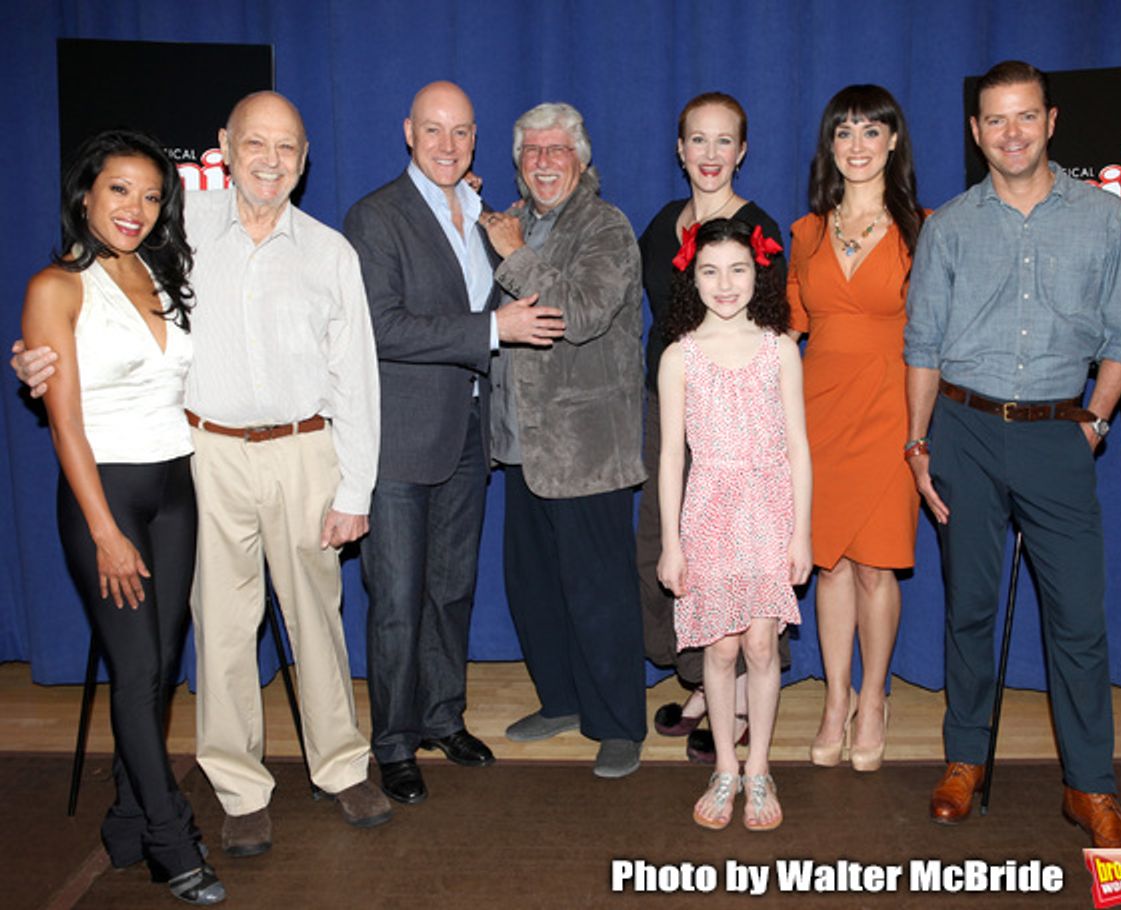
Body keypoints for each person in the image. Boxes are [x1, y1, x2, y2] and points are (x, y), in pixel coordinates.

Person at [15, 91, 392, 856]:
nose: (270, 161)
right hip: (204, 454)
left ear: (305, 158)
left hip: (305, 450)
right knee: (220, 625)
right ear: (225, 144)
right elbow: (94, 294)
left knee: (316, 619)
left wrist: (356, 490)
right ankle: (238, 787)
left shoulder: (331, 253)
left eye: (287, 148)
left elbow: (356, 377)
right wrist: (38, 359)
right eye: (255, 143)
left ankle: (342, 767)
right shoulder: (174, 231)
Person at [904, 60, 1121, 848]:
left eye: (1024, 116)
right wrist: (917, 444)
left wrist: (1093, 423)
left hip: (1058, 434)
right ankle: (965, 760)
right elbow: (923, 344)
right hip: (964, 431)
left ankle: (1090, 786)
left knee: (1078, 617)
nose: (1010, 133)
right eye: (995, 119)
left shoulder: (1104, 217)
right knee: (970, 608)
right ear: (976, 132)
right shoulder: (949, 226)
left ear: (1050, 122)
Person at [343, 81, 563, 805]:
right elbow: (383, 327)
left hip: (469, 430)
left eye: (461, 132)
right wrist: (494, 330)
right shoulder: (375, 216)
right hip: (401, 439)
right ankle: (393, 742)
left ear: (475, 139)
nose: (448, 144)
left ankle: (443, 717)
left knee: (451, 590)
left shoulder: (479, 214)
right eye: (434, 130)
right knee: (396, 599)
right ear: (409, 132)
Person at [20, 130, 224, 905]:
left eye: (150, 195)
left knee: (159, 669)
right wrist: (105, 532)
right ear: (85, 195)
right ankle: (172, 840)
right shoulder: (56, 287)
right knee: (136, 673)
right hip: (106, 496)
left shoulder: (161, 271)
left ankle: (127, 818)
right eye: (119, 190)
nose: (135, 207)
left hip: (176, 489)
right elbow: (66, 425)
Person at [479, 102, 647, 778]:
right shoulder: (517, 222)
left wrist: (515, 255)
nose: (544, 162)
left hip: (588, 450)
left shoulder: (605, 226)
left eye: (557, 150)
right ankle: (563, 701)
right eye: (531, 151)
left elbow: (577, 314)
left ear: (580, 158)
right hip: (522, 445)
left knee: (599, 592)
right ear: (517, 163)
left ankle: (619, 723)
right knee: (534, 587)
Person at [638, 92, 790, 764]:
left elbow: (773, 325)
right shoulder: (661, 225)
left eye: (723, 140)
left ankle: (741, 699)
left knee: (748, 555)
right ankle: (704, 682)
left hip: (740, 423)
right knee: (677, 551)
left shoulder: (758, 229)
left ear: (742, 150)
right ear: (680, 149)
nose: (709, 153)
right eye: (697, 140)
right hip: (671, 402)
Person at [786, 85, 924, 772]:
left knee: (875, 564)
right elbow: (787, 328)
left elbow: (938, 331)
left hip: (892, 409)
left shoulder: (924, 229)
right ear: (829, 146)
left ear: (893, 141)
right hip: (818, 411)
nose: (858, 144)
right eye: (844, 131)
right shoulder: (806, 232)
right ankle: (835, 698)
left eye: (872, 130)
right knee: (829, 562)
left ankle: (874, 699)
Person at [657, 218, 812, 830]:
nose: (725, 284)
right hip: (710, 510)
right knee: (719, 648)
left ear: (758, 274)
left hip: (770, 509)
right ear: (692, 279)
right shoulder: (680, 356)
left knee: (761, 644)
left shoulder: (780, 349)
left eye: (738, 269)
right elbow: (671, 457)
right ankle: (725, 767)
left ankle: (760, 768)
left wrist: (802, 532)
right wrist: (671, 544)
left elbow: (799, 447)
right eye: (711, 271)